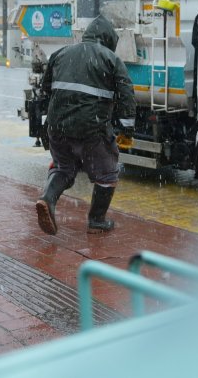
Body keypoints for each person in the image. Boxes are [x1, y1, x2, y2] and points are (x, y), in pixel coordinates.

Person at [35, 15, 136, 235]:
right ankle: (96, 221)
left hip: (58, 126)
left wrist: (46, 122)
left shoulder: (61, 53)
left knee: (63, 168)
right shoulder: (110, 59)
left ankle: (47, 199)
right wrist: (127, 128)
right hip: (92, 128)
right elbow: (126, 94)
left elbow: (45, 90)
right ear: (109, 40)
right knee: (107, 174)